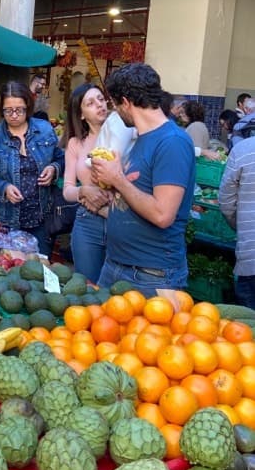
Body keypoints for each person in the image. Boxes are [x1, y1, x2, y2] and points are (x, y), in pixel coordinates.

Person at [90, 63, 195, 296]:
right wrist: (110, 184)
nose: (115, 111)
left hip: (150, 274)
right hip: (116, 264)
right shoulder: (140, 139)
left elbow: (162, 214)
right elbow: (135, 192)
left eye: (115, 105)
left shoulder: (172, 142)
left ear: (126, 102)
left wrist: (118, 179)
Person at [0, 81, 64, 258]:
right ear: (1, 109)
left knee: (39, 271)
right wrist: (3, 187)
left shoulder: (45, 130)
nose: (14, 115)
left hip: (41, 219)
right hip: (5, 220)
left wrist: (54, 169)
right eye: (8, 110)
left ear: (28, 106)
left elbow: (61, 158)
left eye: (20, 109)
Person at [62, 84, 110, 283]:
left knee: (117, 292)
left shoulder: (126, 134)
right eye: (90, 103)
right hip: (87, 221)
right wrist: (84, 191)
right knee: (87, 287)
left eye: (100, 99)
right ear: (81, 114)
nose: (99, 105)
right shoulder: (75, 143)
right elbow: (67, 189)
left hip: (120, 219)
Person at [218, 136, 255, 309]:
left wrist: (242, 228)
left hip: (251, 256)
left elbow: (226, 202)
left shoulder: (242, 150)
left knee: (247, 331)